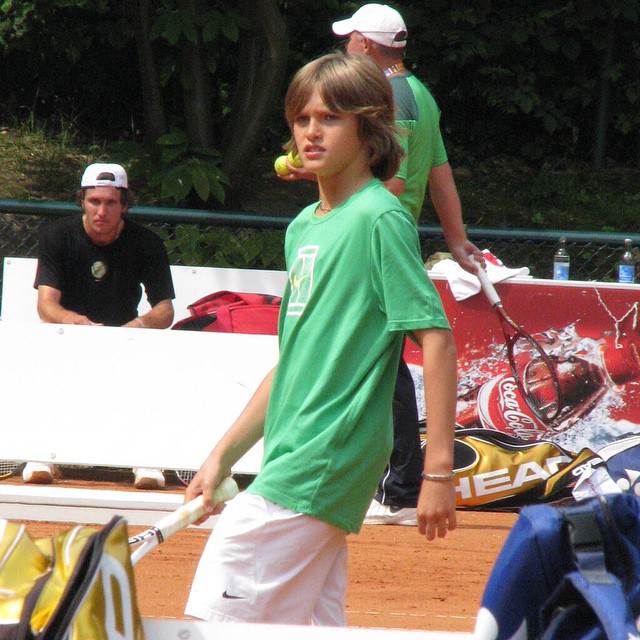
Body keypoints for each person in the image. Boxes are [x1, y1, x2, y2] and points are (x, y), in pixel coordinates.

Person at [183, 52, 457, 626]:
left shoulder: (380, 218)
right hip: (298, 454)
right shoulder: (304, 226)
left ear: (369, 129)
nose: (311, 131)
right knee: (307, 627)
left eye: (330, 118)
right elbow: (293, 360)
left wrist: (436, 471)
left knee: (215, 620)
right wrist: (221, 457)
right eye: (301, 118)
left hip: (323, 456)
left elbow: (435, 338)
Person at [284, 3, 481, 525]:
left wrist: (332, 188)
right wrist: (457, 239)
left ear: (366, 46)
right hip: (388, 231)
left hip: (370, 234)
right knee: (387, 363)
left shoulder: (386, 99)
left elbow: (386, 178)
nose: (345, 49)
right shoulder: (423, 95)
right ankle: (398, 480)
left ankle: (400, 483)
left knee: (383, 366)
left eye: (349, 40)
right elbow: (440, 172)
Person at [25, 162, 175, 490]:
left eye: (110, 202)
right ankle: (40, 454)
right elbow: (46, 305)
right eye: (94, 201)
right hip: (68, 339)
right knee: (40, 356)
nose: (102, 211)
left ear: (124, 204)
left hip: (126, 341)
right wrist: (72, 321)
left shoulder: (147, 243)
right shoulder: (57, 236)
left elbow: (165, 310)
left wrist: (137, 326)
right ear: (82, 201)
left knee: (157, 368)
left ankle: (147, 459)